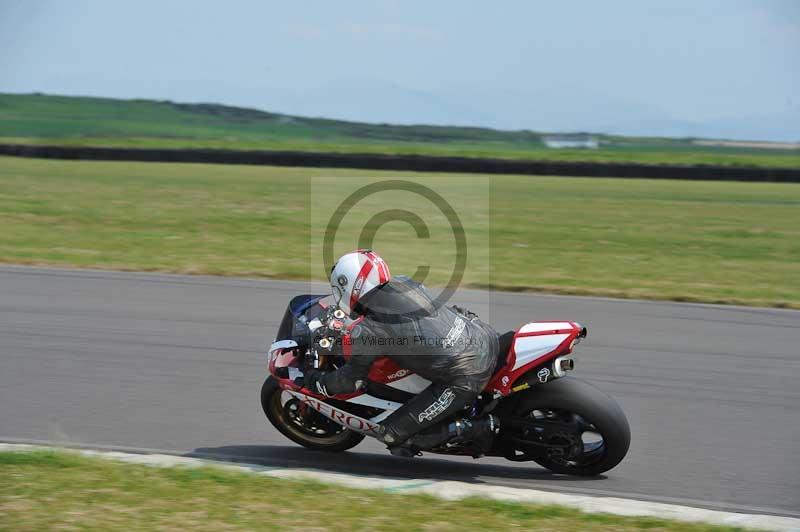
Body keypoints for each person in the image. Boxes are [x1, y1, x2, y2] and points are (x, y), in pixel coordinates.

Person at [300, 249, 500, 455]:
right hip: (483, 336)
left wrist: (315, 381)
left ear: (347, 285)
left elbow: (349, 381)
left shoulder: (370, 329)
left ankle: (481, 427)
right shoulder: (406, 284)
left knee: (391, 433)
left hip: (466, 376)